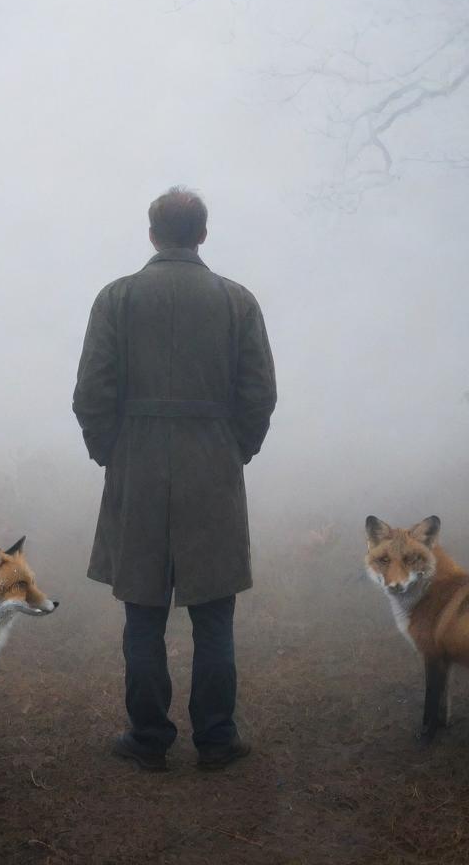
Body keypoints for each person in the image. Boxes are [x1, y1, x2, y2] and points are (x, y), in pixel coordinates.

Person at [73, 187, 277, 771]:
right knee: (214, 613)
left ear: (152, 234)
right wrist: (234, 448)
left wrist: (111, 451)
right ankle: (216, 738)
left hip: (137, 467)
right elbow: (259, 394)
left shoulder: (116, 298)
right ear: (203, 234)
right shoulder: (238, 302)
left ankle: (148, 738)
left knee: (143, 610)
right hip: (212, 466)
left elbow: (92, 394)